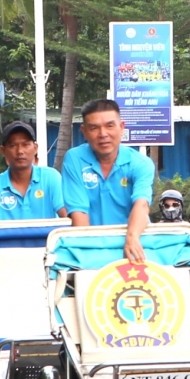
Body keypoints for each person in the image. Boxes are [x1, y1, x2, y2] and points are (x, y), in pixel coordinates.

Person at [63, 99, 155, 262]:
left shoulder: (141, 163)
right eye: (94, 128)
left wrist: (132, 237)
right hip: (92, 248)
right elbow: (79, 213)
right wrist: (88, 257)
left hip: (134, 246)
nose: (103, 134)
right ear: (84, 131)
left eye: (110, 126)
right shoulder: (74, 159)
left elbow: (141, 204)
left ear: (122, 127)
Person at [0, 121, 65, 221]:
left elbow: (68, 217)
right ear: (3, 151)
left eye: (25, 144)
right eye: (13, 145)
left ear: (35, 148)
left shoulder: (51, 178)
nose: (20, 151)